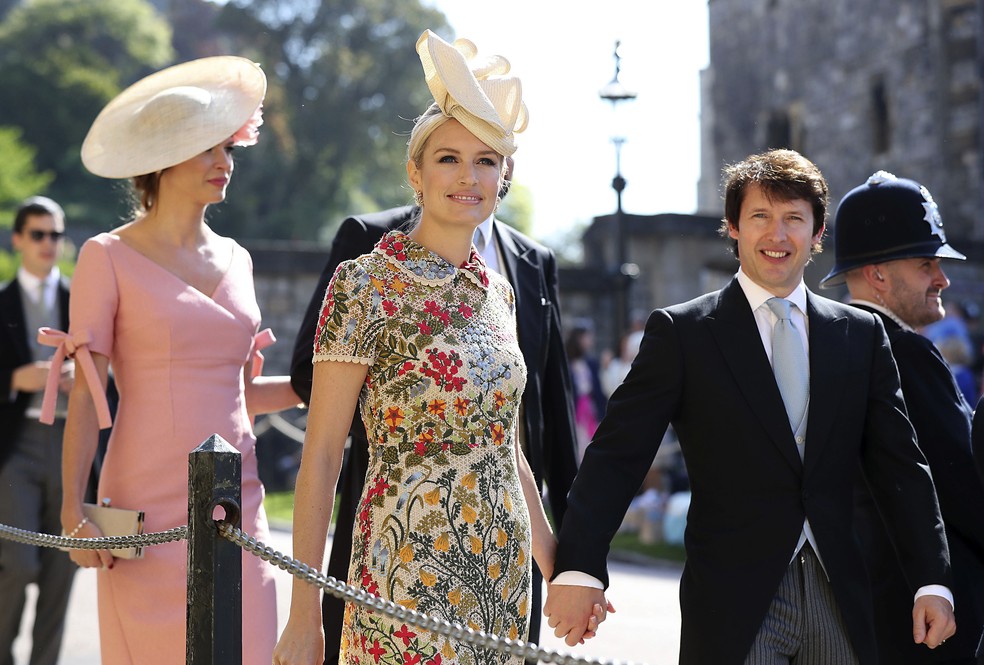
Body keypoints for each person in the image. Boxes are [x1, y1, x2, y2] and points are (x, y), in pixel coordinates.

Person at [544, 148, 957, 664]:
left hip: (843, 598)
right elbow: (617, 455)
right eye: (760, 216)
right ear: (733, 227)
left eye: (793, 219)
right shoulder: (684, 333)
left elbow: (901, 465)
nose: (777, 235)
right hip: (734, 600)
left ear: (818, 233)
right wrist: (581, 567)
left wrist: (931, 579)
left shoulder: (860, 333)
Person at [275, 31, 598, 665]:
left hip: (502, 579)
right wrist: (303, 613)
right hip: (401, 570)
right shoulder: (364, 284)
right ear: (415, 173)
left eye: (486, 160)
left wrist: (558, 570)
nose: (468, 176)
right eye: (449, 158)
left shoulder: (500, 295)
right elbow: (319, 459)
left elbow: (505, 447)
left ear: (503, 176)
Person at [39, 56, 300, 664]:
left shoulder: (241, 260)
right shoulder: (105, 257)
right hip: (145, 507)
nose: (223, 164)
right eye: (206, 149)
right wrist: (71, 510)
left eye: (228, 149)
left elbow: (240, 398)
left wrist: (320, 386)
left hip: (239, 501)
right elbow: (86, 392)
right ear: (160, 159)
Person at [820, 171, 984, 665]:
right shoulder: (905, 355)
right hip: (930, 621)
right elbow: (962, 488)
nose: (942, 278)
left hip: (850, 613)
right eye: (926, 263)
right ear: (878, 274)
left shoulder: (822, 350)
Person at [0, 196, 76, 665]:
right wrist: (12, 379)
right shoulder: (1, 302)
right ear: (18, 240)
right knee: (18, 562)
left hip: (71, 442)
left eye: (56, 234)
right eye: (38, 234)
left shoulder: (81, 299)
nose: (48, 244)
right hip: (17, 446)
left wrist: (85, 380)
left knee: (62, 567)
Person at [565, 323, 606, 461]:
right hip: (575, 410)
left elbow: (597, 390)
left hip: (589, 410)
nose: (590, 341)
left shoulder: (591, 362)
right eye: (587, 337)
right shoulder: (567, 362)